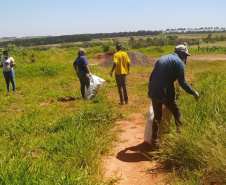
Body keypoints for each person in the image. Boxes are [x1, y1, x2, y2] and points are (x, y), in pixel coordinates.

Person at [148, 45, 199, 150]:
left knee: (157, 116)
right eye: (185, 55)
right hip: (165, 92)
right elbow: (183, 83)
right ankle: (179, 138)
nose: (185, 58)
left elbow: (151, 77)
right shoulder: (179, 63)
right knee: (177, 113)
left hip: (153, 91)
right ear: (181, 53)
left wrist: (153, 90)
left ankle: (154, 142)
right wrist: (193, 93)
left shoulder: (162, 58)